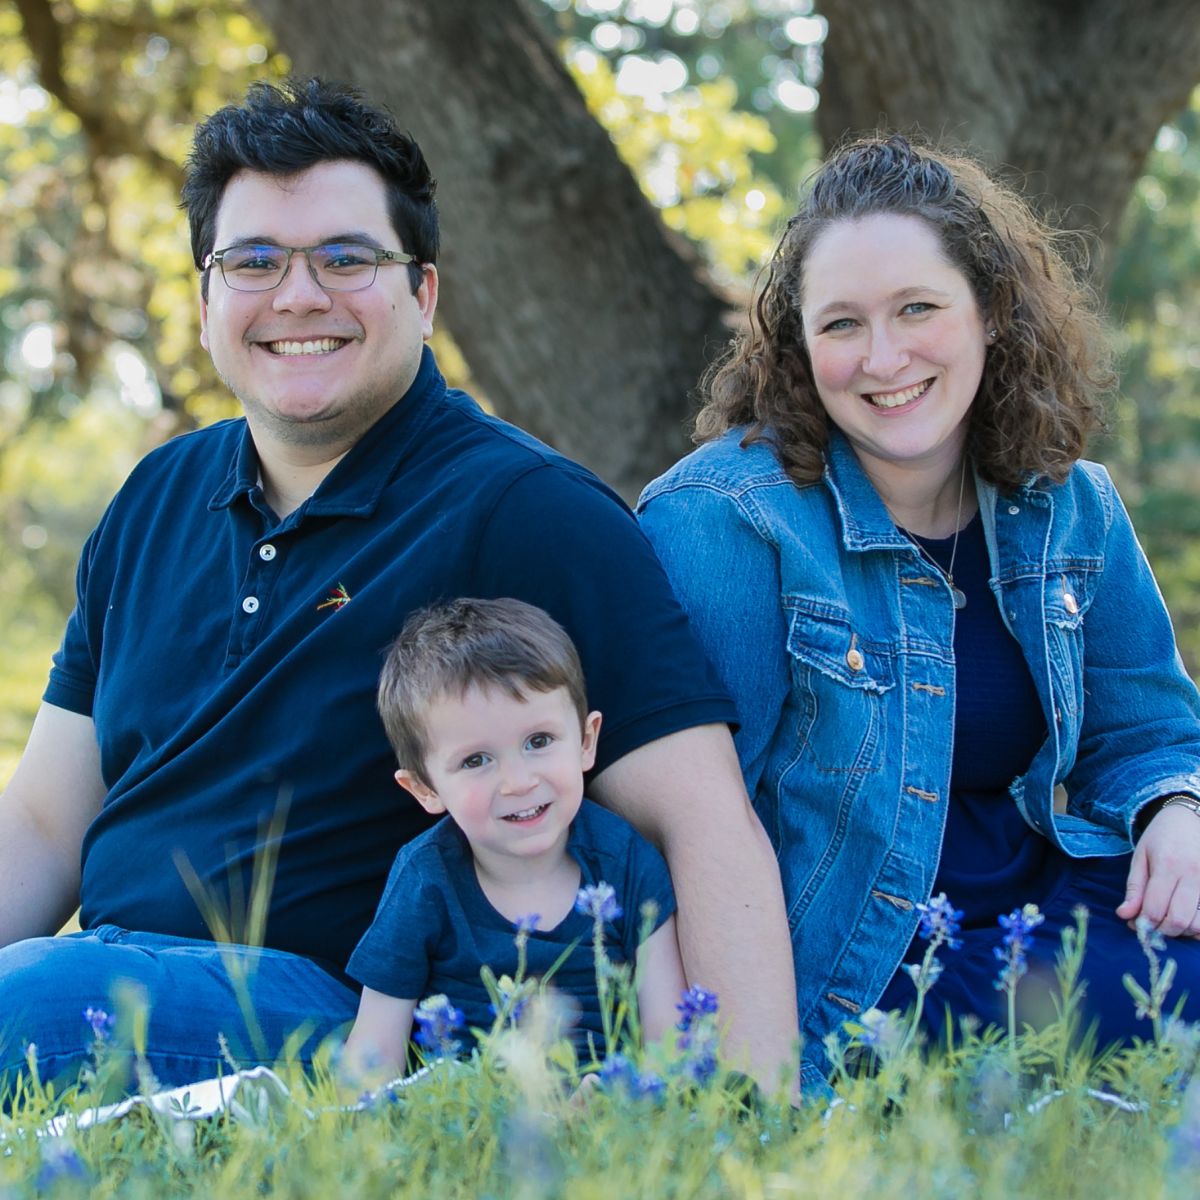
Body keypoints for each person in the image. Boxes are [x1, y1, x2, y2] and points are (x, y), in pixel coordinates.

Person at [0, 78, 798, 1093]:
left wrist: (756, 1105)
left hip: (361, 1018)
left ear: (422, 292)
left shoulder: (527, 512)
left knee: (31, 1004)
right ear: (205, 300)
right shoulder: (156, 496)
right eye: (252, 262)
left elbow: (699, 818)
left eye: (345, 258)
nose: (297, 296)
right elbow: (41, 821)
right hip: (105, 973)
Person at [637, 134, 1200, 1081]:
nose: (883, 357)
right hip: (858, 954)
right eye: (842, 325)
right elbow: (690, 821)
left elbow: (1145, 726)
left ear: (990, 315)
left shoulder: (1070, 504)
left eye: (917, 309)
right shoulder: (726, 521)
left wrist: (1176, 810)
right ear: (797, 346)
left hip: (1045, 906)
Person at [343, 597, 686, 1077]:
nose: (518, 781)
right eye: (476, 760)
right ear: (423, 788)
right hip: (466, 1107)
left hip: (607, 1114)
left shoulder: (625, 860)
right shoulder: (426, 877)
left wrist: (632, 1100)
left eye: (539, 742)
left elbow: (667, 1037)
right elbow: (373, 1051)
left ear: (587, 741)